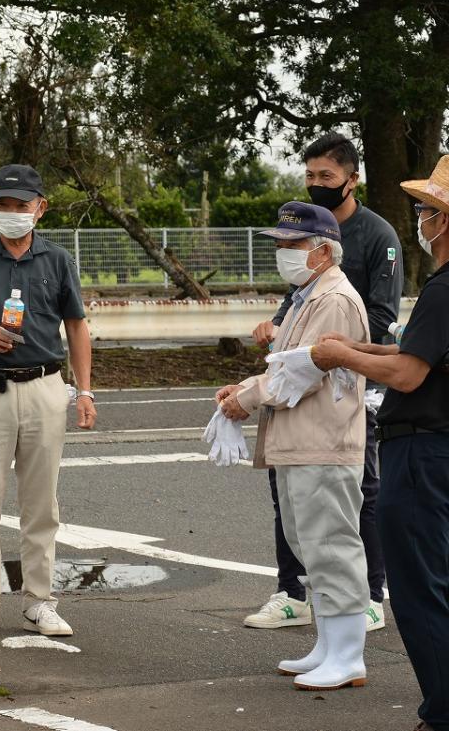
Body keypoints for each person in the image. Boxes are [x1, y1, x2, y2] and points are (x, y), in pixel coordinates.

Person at [311, 155, 449, 730]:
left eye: (428, 210)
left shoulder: (444, 287)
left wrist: (343, 356)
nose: (421, 218)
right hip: (434, 448)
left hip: (421, 450)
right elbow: (415, 353)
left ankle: (442, 712)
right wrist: (359, 348)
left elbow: (411, 375)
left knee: (420, 593)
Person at [244, 133, 400, 633]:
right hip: (300, 375)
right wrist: (279, 326)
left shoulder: (377, 235)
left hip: (353, 381)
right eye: (310, 176)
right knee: (287, 487)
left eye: (326, 177)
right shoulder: (304, 229)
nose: (317, 185)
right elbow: (296, 299)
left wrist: (324, 345)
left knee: (356, 492)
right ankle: (293, 590)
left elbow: (378, 313)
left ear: (353, 179)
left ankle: (369, 594)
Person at [0, 163, 96, 641]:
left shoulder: (57, 260)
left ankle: (40, 601)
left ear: (39, 209)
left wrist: (84, 390)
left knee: (41, 502)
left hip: (46, 386)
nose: (11, 213)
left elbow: (76, 326)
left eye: (20, 206)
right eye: (2, 205)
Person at [218, 200, 370, 691]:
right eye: (280, 244)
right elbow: (285, 365)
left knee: (332, 545)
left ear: (324, 252)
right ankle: (329, 644)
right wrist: (244, 387)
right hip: (304, 441)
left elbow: (300, 374)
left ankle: (347, 653)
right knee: (311, 545)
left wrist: (247, 396)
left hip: (323, 441)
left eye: (293, 244)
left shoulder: (333, 301)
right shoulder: (308, 295)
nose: (283, 252)